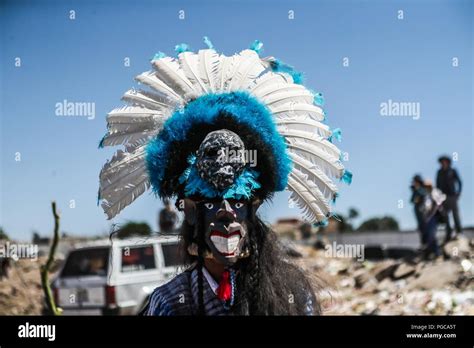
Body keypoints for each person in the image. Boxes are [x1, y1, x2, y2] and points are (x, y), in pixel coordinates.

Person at [98, 39, 351, 315]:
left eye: (237, 202)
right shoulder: (169, 302)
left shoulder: (291, 292)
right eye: (211, 202)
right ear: (192, 211)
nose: (226, 213)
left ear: (252, 210)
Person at [436, 155, 462, 242]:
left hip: (452, 196)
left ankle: (459, 232)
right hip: (443, 197)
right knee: (445, 216)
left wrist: (458, 193)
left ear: (448, 162)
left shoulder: (452, 171)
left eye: (445, 161)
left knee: (455, 214)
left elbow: (459, 182)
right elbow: (437, 186)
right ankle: (448, 233)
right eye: (442, 161)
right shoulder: (439, 172)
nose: (443, 163)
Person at [418, 180, 446, 259]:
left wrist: (430, 214)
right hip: (429, 217)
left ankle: (437, 253)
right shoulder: (427, 194)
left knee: (431, 235)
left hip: (434, 217)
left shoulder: (434, 192)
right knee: (430, 236)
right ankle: (434, 253)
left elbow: (436, 205)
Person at [410, 174, 427, 245]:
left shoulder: (422, 190)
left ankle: (426, 242)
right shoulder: (415, 190)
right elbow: (411, 200)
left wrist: (417, 197)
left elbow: (423, 197)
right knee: (420, 227)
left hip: (422, 210)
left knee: (424, 227)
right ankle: (423, 243)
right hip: (417, 211)